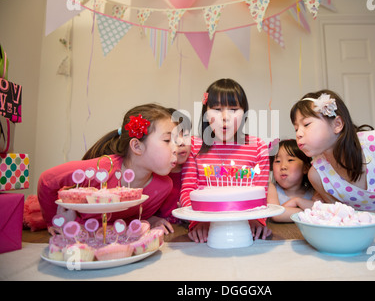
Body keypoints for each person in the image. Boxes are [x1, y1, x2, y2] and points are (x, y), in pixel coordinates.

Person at [38, 103, 178, 234]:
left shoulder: (163, 187)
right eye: (167, 140)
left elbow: (128, 219)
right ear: (136, 146)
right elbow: (47, 179)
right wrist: (53, 221)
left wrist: (149, 219)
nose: (176, 148)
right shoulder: (100, 169)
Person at [290, 90, 375, 224]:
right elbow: (345, 214)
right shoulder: (316, 175)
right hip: (361, 228)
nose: (298, 134)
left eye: (306, 124)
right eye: (296, 128)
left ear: (337, 124)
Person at [180, 78, 271, 243]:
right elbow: (187, 191)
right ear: (206, 112)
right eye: (216, 109)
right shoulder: (194, 146)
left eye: (234, 109)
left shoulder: (258, 147)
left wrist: (257, 220)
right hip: (207, 229)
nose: (225, 117)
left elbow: (261, 192)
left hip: (244, 229)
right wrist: (197, 221)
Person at [267, 139, 318, 222]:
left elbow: (322, 211)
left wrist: (298, 201)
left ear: (305, 168)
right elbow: (276, 214)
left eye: (290, 160)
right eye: (277, 161)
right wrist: (299, 204)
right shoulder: (272, 189)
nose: (283, 166)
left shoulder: (313, 192)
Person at [157, 108, 192, 224]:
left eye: (186, 135)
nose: (182, 142)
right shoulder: (156, 175)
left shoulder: (194, 174)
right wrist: (152, 219)